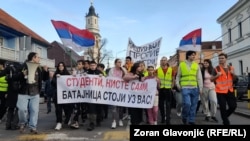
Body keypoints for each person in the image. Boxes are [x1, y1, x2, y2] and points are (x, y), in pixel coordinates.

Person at [17, 52, 48, 134]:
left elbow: (44, 79)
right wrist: (22, 74)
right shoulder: (23, 66)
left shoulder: (39, 68)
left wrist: (46, 72)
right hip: (23, 92)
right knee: (22, 109)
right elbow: (15, 77)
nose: (39, 59)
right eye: (38, 57)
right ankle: (23, 123)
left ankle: (33, 127)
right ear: (33, 58)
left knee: (34, 110)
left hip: (35, 92)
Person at [176, 50, 203, 125]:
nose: (193, 56)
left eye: (194, 55)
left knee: (194, 105)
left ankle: (191, 120)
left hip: (195, 88)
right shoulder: (182, 65)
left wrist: (200, 88)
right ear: (188, 56)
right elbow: (178, 76)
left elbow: (199, 78)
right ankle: (184, 116)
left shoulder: (196, 65)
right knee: (187, 104)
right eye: (192, 55)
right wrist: (178, 85)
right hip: (185, 88)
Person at [212, 53, 237, 125]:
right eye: (219, 58)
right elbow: (211, 79)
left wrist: (233, 74)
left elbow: (234, 79)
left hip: (229, 90)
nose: (221, 59)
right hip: (220, 91)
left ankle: (225, 117)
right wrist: (217, 75)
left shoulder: (231, 68)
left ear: (226, 59)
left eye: (222, 58)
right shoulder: (216, 69)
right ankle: (225, 122)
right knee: (222, 107)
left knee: (233, 106)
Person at [52, 62, 72, 130]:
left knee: (67, 108)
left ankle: (68, 118)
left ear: (64, 66)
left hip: (65, 95)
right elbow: (52, 83)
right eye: (59, 65)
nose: (60, 67)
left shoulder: (67, 74)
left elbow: (71, 83)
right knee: (58, 109)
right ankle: (59, 122)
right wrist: (56, 79)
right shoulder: (56, 74)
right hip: (57, 95)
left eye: (62, 65)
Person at [107, 59, 127, 129]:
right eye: (118, 62)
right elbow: (109, 79)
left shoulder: (123, 70)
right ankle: (114, 121)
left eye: (121, 62)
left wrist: (124, 70)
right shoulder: (111, 70)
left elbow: (126, 77)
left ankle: (120, 119)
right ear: (115, 63)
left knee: (121, 108)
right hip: (113, 91)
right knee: (114, 108)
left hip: (121, 91)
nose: (120, 63)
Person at [155, 56, 175, 125]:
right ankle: (163, 117)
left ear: (167, 61)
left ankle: (168, 118)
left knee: (168, 105)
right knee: (161, 104)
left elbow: (173, 79)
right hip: (160, 89)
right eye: (162, 60)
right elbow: (155, 79)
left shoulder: (171, 69)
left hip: (168, 89)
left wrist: (172, 86)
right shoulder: (157, 70)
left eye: (165, 60)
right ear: (161, 62)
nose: (163, 61)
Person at [86, 60, 103, 131]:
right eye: (91, 65)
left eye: (94, 65)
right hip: (90, 94)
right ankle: (92, 123)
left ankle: (98, 120)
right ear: (89, 66)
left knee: (98, 108)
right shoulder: (86, 73)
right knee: (91, 109)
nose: (93, 67)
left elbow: (105, 81)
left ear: (96, 66)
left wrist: (102, 77)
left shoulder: (100, 73)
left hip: (98, 94)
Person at [3, 62, 22, 130]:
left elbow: (6, 80)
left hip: (10, 91)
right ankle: (14, 124)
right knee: (18, 108)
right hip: (17, 92)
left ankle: (8, 125)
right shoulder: (19, 72)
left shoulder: (9, 72)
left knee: (10, 108)